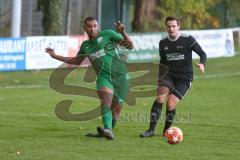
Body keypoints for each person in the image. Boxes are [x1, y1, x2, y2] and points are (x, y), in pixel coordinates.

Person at [45, 16, 133, 140]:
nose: (92, 29)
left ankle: (107, 130)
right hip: (103, 77)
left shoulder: (109, 34)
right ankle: (107, 129)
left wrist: (123, 32)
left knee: (116, 111)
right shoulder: (86, 46)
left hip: (121, 76)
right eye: (89, 26)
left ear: (98, 26)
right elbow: (76, 60)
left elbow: (130, 46)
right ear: (84, 28)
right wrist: (55, 56)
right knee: (106, 99)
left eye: (94, 26)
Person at [140, 16, 207, 138]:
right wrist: (160, 79)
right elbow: (163, 62)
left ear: (178, 26)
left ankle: (166, 131)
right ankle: (150, 130)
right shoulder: (163, 43)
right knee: (160, 97)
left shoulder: (188, 40)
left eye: (173, 26)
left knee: (170, 104)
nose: (171, 29)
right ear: (166, 27)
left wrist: (202, 63)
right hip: (168, 76)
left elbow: (202, 53)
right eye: (169, 26)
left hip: (184, 78)